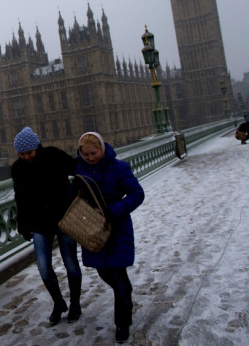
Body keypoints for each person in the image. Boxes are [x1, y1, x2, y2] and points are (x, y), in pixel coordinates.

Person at [76, 132, 145, 344]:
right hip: (93, 230)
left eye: (93, 153)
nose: (89, 158)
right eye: (85, 154)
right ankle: (125, 296)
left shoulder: (120, 168)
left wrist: (114, 210)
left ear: (103, 149)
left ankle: (122, 323)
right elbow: (75, 196)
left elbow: (137, 194)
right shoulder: (80, 170)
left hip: (117, 229)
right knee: (104, 271)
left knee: (118, 274)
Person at [10, 127, 83, 326]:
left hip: (63, 219)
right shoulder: (18, 168)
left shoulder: (53, 156)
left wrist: (76, 191)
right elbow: (20, 198)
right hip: (39, 223)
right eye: (22, 154)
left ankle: (75, 304)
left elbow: (78, 169)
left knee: (71, 264)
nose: (26, 157)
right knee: (43, 267)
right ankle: (58, 303)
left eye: (29, 153)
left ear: (37, 147)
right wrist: (22, 223)